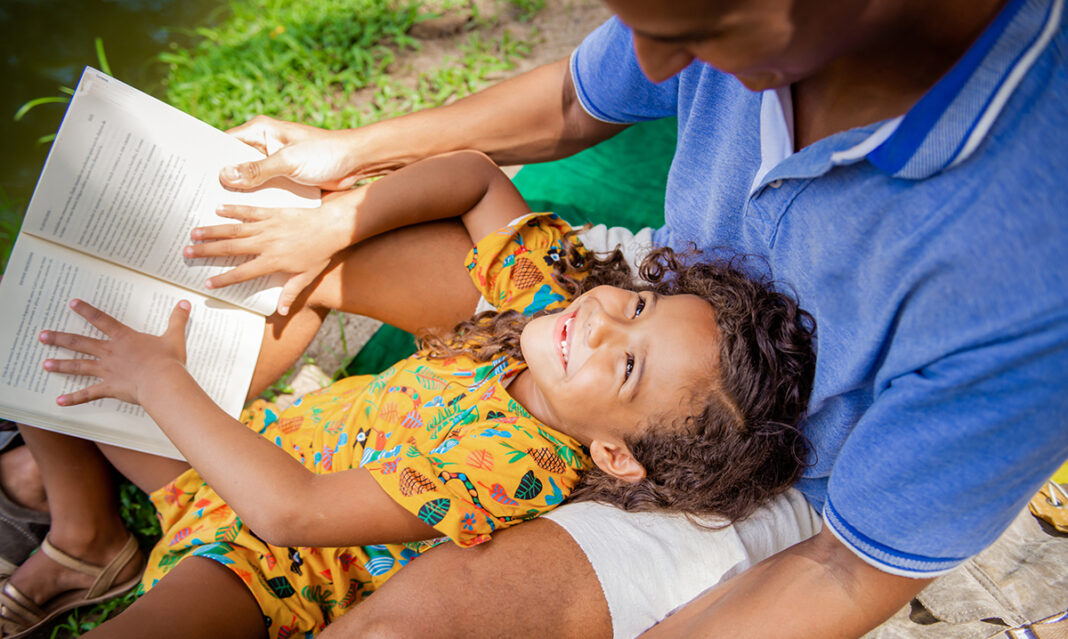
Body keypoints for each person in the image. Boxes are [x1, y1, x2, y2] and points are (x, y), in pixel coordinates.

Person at [161, 0, 1067, 637]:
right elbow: (574, 99)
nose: (659, 72)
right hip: (670, 300)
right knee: (308, 245)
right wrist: (350, 163)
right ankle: (147, 488)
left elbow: (850, 565)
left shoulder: (1036, 265)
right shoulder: (596, 310)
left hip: (774, 463)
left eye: (698, 33)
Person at [0, 151, 817, 638]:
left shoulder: (517, 468)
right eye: (639, 306)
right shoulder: (553, 297)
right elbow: (476, 179)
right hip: (242, 448)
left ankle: (97, 539)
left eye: (629, 367)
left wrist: (159, 378)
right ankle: (86, 535)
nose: (602, 323)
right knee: (49, 327)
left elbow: (294, 514)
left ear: (615, 452)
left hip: (265, 568)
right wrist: (335, 223)